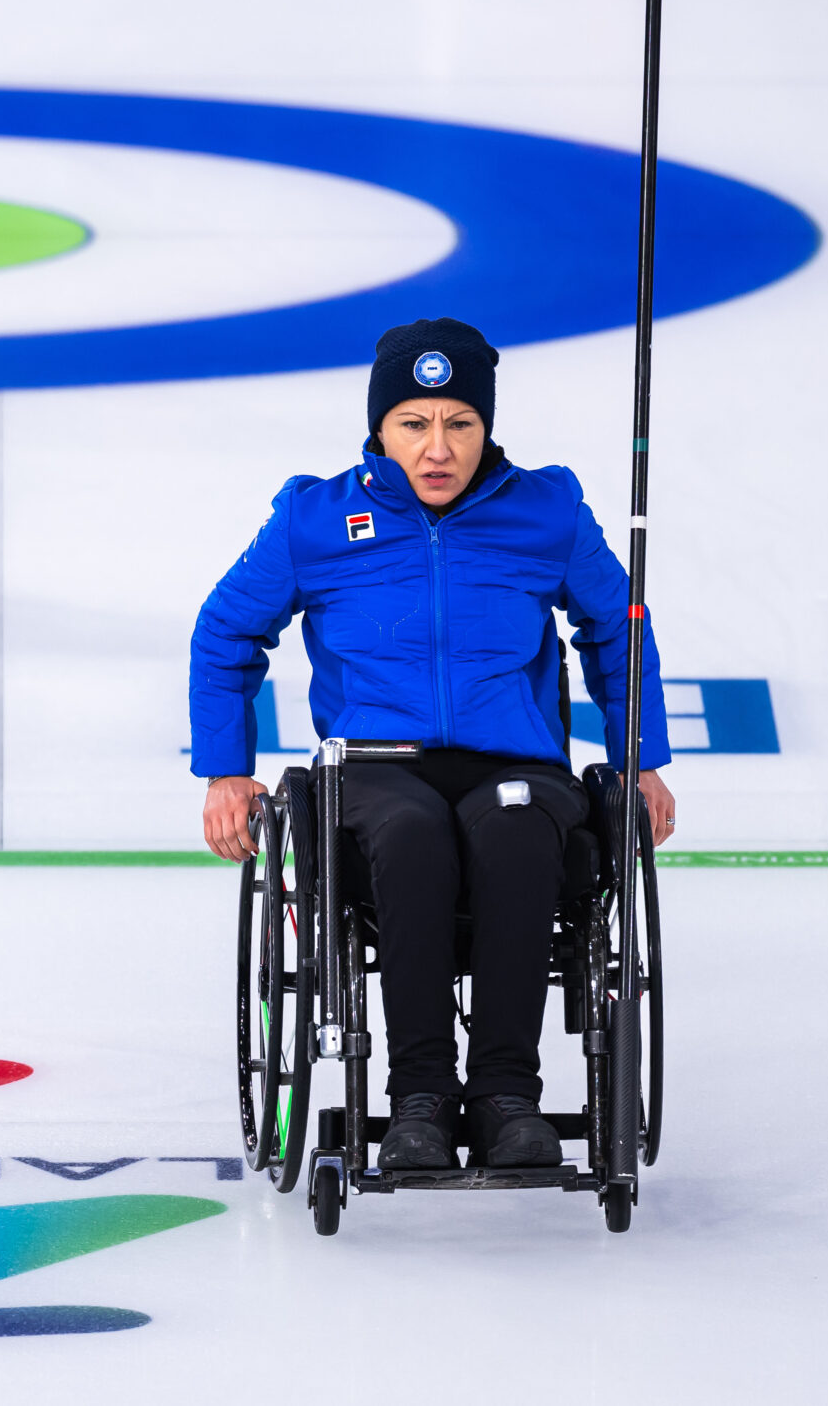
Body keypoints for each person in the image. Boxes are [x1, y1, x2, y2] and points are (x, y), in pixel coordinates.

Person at [190, 317, 676, 1171]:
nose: (438, 447)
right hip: (377, 770)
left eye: (461, 422)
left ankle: (505, 1098)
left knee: (518, 828)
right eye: (414, 423)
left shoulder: (549, 510)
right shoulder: (314, 519)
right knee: (411, 833)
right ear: (380, 428)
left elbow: (617, 625)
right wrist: (226, 772)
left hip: (514, 765)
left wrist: (642, 762)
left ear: (487, 427)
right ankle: (419, 1098)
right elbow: (226, 629)